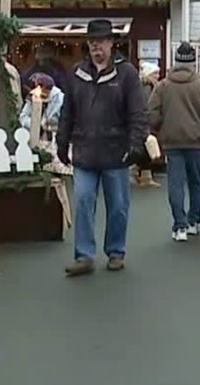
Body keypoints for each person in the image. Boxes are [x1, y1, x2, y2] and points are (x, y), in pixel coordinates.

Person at [57, 19, 147, 277]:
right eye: (92, 43)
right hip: (85, 151)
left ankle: (116, 251)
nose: (97, 47)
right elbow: (67, 113)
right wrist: (62, 143)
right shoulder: (77, 74)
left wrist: (136, 144)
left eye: (101, 42)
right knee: (84, 201)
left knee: (118, 206)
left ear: (111, 43)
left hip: (116, 152)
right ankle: (84, 256)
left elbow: (137, 114)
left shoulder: (126, 74)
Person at [148, 42, 200, 241]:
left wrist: (161, 128)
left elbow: (152, 114)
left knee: (175, 184)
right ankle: (193, 221)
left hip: (172, 142)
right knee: (196, 182)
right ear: (193, 62)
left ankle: (179, 226)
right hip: (196, 141)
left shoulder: (163, 86)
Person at [134, 62, 163, 188]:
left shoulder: (142, 86)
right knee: (147, 149)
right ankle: (145, 177)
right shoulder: (148, 88)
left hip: (142, 123)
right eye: (155, 73)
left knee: (145, 149)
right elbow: (148, 107)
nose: (158, 76)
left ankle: (142, 175)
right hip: (146, 124)